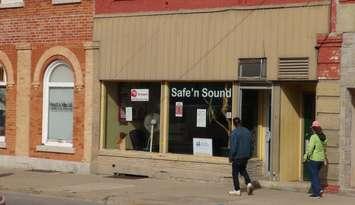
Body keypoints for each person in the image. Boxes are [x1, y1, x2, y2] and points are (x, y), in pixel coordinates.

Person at [228, 117, 254, 196]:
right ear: (240, 122)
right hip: (245, 156)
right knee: (242, 169)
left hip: (237, 156)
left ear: (234, 124)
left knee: (235, 173)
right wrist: (250, 154)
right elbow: (252, 144)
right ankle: (249, 183)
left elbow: (234, 147)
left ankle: (237, 190)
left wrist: (231, 157)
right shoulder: (247, 131)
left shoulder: (234, 133)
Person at [303, 120, 327, 198]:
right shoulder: (324, 137)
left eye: (312, 129)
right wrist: (324, 158)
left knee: (314, 175)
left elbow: (310, 148)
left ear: (314, 129)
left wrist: (305, 156)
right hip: (321, 159)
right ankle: (315, 192)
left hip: (314, 159)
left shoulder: (314, 137)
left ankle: (318, 190)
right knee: (315, 175)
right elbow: (324, 149)